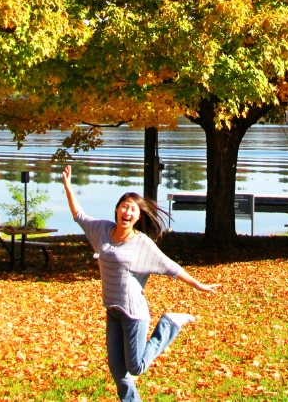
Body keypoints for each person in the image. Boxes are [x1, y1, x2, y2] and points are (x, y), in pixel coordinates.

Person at [62, 165, 219, 402]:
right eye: (124, 206)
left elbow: (170, 267)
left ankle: (169, 323)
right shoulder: (102, 231)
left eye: (133, 209)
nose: (127, 211)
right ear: (117, 210)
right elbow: (79, 216)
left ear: (137, 217)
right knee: (118, 370)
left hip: (135, 314)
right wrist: (68, 187)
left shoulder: (142, 243)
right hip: (113, 310)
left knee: (135, 368)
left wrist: (197, 285)